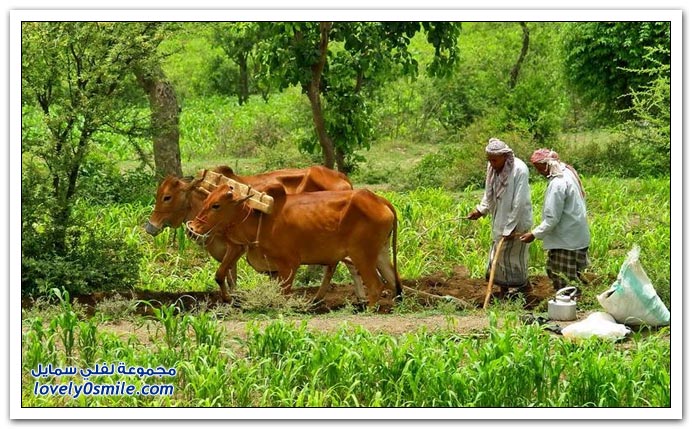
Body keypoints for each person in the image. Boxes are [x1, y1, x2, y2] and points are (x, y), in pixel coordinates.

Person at [519, 149, 590, 296]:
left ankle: (571, 305)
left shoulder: (557, 183)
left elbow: (552, 218)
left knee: (562, 277)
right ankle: (581, 301)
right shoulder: (568, 173)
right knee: (572, 274)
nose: (539, 173)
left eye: (539, 169)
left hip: (566, 239)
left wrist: (534, 234)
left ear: (546, 166)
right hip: (576, 235)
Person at [467, 138, 533, 295]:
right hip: (499, 219)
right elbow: (489, 193)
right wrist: (480, 210)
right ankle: (503, 290)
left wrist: (510, 227)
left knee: (514, 258)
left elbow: (519, 201)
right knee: (499, 257)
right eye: (489, 160)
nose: (492, 163)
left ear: (505, 156)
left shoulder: (519, 169)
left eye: (495, 160)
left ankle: (523, 287)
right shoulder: (492, 167)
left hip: (517, 222)